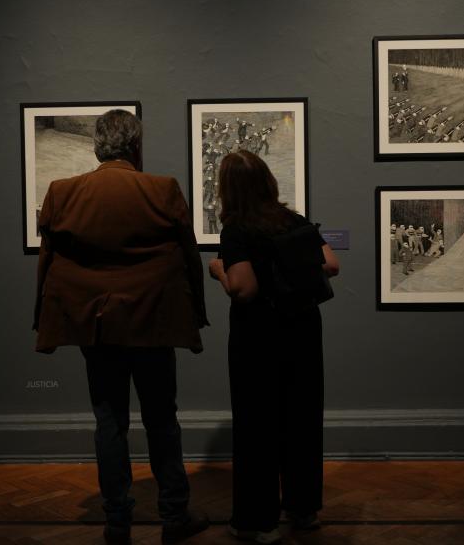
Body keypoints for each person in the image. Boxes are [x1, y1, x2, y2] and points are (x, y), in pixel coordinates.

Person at [33, 110, 210, 545]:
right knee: (162, 420)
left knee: (108, 422)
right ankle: (173, 515)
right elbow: (189, 258)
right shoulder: (162, 189)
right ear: (136, 146)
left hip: (97, 329)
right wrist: (196, 317)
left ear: (97, 146)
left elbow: (47, 264)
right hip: (153, 324)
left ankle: (116, 520)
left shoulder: (63, 193)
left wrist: (43, 320)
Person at [207, 151, 339, 544]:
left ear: (228, 189)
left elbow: (243, 289)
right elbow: (331, 264)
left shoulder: (236, 231)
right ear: (267, 181)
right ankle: (303, 510)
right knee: (301, 419)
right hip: (302, 330)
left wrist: (218, 271)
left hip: (258, 337)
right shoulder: (293, 220)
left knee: (257, 425)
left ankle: (257, 521)